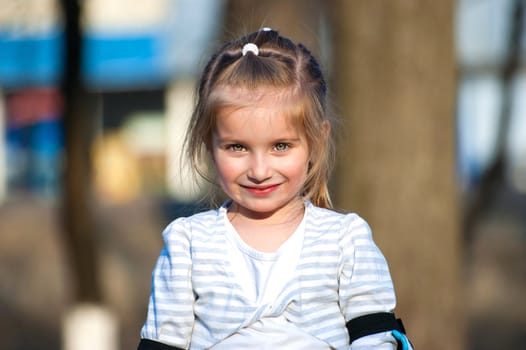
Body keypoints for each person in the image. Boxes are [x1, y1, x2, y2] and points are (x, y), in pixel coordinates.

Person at [138, 28, 412, 350]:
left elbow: (375, 341)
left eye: (280, 146)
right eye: (237, 147)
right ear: (209, 146)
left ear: (316, 142)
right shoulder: (188, 245)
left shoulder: (345, 242)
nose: (259, 170)